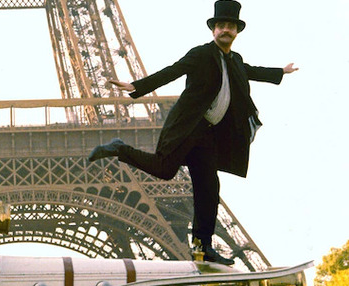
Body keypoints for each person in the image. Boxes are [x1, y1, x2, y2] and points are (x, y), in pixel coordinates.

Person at [87, 0, 297, 265]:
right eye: (221, 25)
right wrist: (135, 86)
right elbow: (173, 71)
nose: (225, 30)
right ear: (213, 30)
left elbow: (251, 71)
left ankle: (203, 244)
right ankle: (120, 148)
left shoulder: (235, 61)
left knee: (209, 187)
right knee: (164, 170)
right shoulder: (201, 54)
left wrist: (281, 72)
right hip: (187, 127)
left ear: (237, 31)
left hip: (208, 135)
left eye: (230, 26)